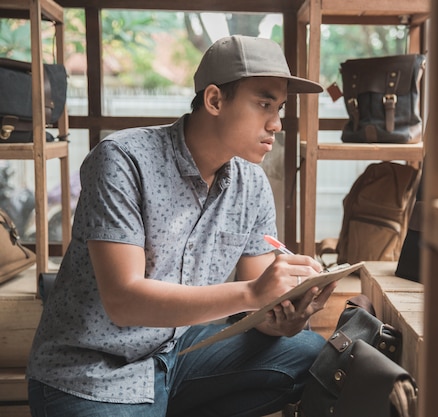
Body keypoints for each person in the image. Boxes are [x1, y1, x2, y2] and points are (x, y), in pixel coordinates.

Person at [27, 35, 333, 417]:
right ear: (215, 100)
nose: (277, 123)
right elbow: (123, 301)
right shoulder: (122, 160)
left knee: (311, 351)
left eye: (281, 107)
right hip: (92, 371)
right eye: (264, 104)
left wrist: (290, 315)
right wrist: (255, 292)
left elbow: (257, 314)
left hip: (179, 356)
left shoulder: (251, 184)